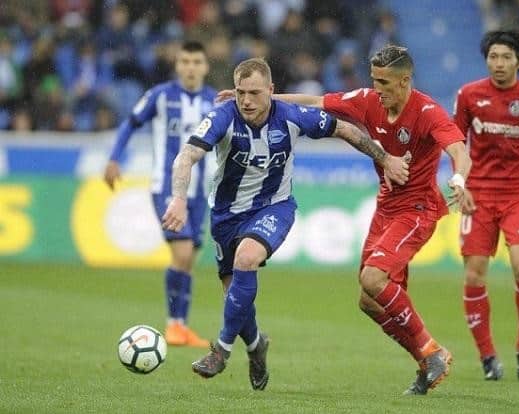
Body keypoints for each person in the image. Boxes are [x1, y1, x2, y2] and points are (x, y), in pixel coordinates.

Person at [236, 45, 473, 395]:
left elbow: (458, 150)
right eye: (374, 79)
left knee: (373, 278)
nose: (376, 88)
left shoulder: (427, 111)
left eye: (384, 82)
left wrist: (459, 180)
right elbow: (315, 103)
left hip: (417, 210)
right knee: (368, 300)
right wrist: (264, 99)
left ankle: (432, 350)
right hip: (386, 209)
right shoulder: (367, 100)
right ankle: (427, 363)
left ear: (405, 80)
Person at [161, 57, 409, 391]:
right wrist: (177, 197)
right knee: (236, 296)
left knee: (246, 258)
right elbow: (186, 156)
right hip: (225, 215)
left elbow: (345, 129)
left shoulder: (291, 116)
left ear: (271, 91)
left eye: (254, 93)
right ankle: (255, 346)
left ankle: (220, 350)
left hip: (274, 208)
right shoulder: (222, 117)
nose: (246, 100)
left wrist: (386, 159)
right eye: (240, 92)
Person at [452, 30, 519, 381]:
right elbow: (455, 141)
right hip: (479, 196)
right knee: (473, 273)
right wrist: (461, 183)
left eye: (505, 57)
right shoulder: (469, 95)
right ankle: (487, 358)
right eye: (493, 57)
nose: (498, 63)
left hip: (517, 195)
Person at [104, 41, 216, 348]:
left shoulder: (214, 101)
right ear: (177, 65)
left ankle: (181, 326)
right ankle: (173, 324)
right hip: (167, 188)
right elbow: (131, 123)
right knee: (180, 254)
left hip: (200, 191)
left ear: (205, 66)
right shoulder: (161, 96)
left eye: (196, 61)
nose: (191, 67)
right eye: (185, 61)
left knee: (190, 258)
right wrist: (114, 158)